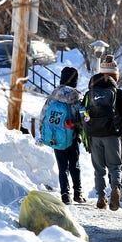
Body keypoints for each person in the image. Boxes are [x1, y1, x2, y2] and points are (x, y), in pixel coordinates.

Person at [84, 55, 122, 211]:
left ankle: (101, 197)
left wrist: (88, 132)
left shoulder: (90, 92)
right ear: (115, 75)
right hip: (111, 135)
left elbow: (83, 113)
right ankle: (116, 188)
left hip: (94, 135)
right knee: (115, 166)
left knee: (99, 169)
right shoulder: (118, 93)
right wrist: (120, 131)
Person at [40, 67, 86, 205]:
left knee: (62, 166)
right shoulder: (76, 96)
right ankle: (78, 193)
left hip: (56, 136)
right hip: (72, 136)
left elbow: (43, 114)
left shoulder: (54, 94)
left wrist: (42, 129)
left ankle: (65, 194)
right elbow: (83, 116)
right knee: (74, 165)